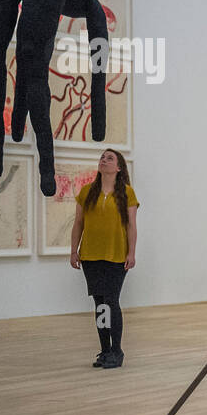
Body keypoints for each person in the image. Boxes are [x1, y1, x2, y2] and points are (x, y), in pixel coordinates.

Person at [69, 149, 138, 369]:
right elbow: (78, 223)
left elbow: (131, 226)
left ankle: (117, 351)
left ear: (118, 168)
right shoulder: (87, 191)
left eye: (110, 158)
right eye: (102, 157)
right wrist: (74, 250)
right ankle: (105, 350)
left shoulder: (127, 193)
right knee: (100, 305)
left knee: (111, 301)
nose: (104, 160)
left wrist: (131, 253)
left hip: (116, 256)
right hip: (91, 256)